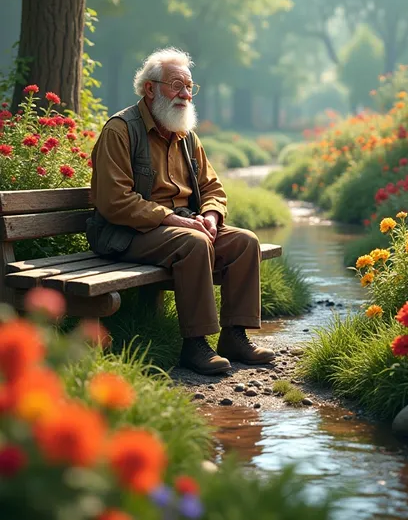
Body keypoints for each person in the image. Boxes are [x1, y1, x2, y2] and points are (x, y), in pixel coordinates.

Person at [88, 47, 275, 375]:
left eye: (189, 87)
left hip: (179, 229)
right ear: (150, 89)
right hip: (126, 234)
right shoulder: (120, 130)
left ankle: (234, 336)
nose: (186, 94)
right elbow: (114, 200)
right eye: (177, 85)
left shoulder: (185, 135)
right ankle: (195, 345)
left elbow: (214, 188)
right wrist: (174, 219)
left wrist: (211, 216)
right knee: (194, 244)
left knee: (245, 242)